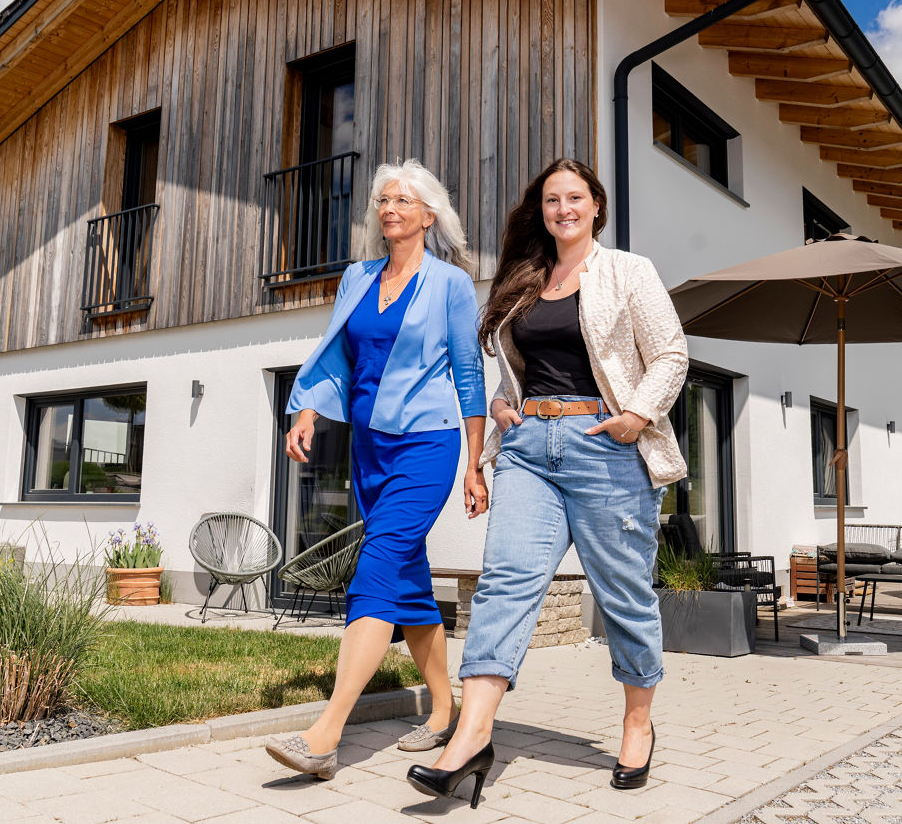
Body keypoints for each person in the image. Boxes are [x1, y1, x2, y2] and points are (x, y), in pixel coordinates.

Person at [406, 158, 687, 808]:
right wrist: (508, 404)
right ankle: (472, 740)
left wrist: (637, 415)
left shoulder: (626, 271)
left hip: (606, 448)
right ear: (543, 209)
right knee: (504, 583)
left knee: (623, 595)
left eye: (575, 198)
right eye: (552, 199)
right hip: (531, 447)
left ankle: (638, 722)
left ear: (596, 206)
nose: (563, 208)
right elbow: (520, 368)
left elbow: (670, 352)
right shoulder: (526, 279)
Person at [266, 159, 487, 780]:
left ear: (429, 215)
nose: (390, 208)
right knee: (409, 586)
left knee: (377, 566)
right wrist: (309, 409)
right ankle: (444, 709)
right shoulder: (358, 277)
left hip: (427, 445)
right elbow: (339, 352)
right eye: (383, 200)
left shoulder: (450, 284)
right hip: (369, 449)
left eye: (404, 200)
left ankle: (324, 736)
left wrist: (475, 465)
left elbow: (468, 375)